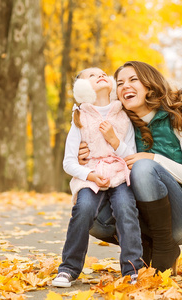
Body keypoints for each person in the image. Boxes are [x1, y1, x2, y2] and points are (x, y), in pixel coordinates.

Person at [79, 61, 182, 274]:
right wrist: (83, 157)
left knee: (143, 167)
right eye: (120, 83)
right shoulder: (121, 124)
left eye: (133, 80)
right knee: (87, 210)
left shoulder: (179, 116)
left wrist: (154, 158)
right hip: (144, 219)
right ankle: (146, 246)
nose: (125, 86)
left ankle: (164, 246)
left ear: (150, 84)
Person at [52, 67, 143, 288]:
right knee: (82, 209)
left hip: (120, 174)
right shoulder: (79, 117)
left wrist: (114, 141)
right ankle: (68, 269)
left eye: (102, 73)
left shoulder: (122, 115)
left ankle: (132, 270)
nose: (100, 75)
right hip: (90, 175)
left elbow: (130, 154)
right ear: (83, 88)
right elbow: (69, 162)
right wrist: (90, 174)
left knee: (125, 208)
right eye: (91, 75)